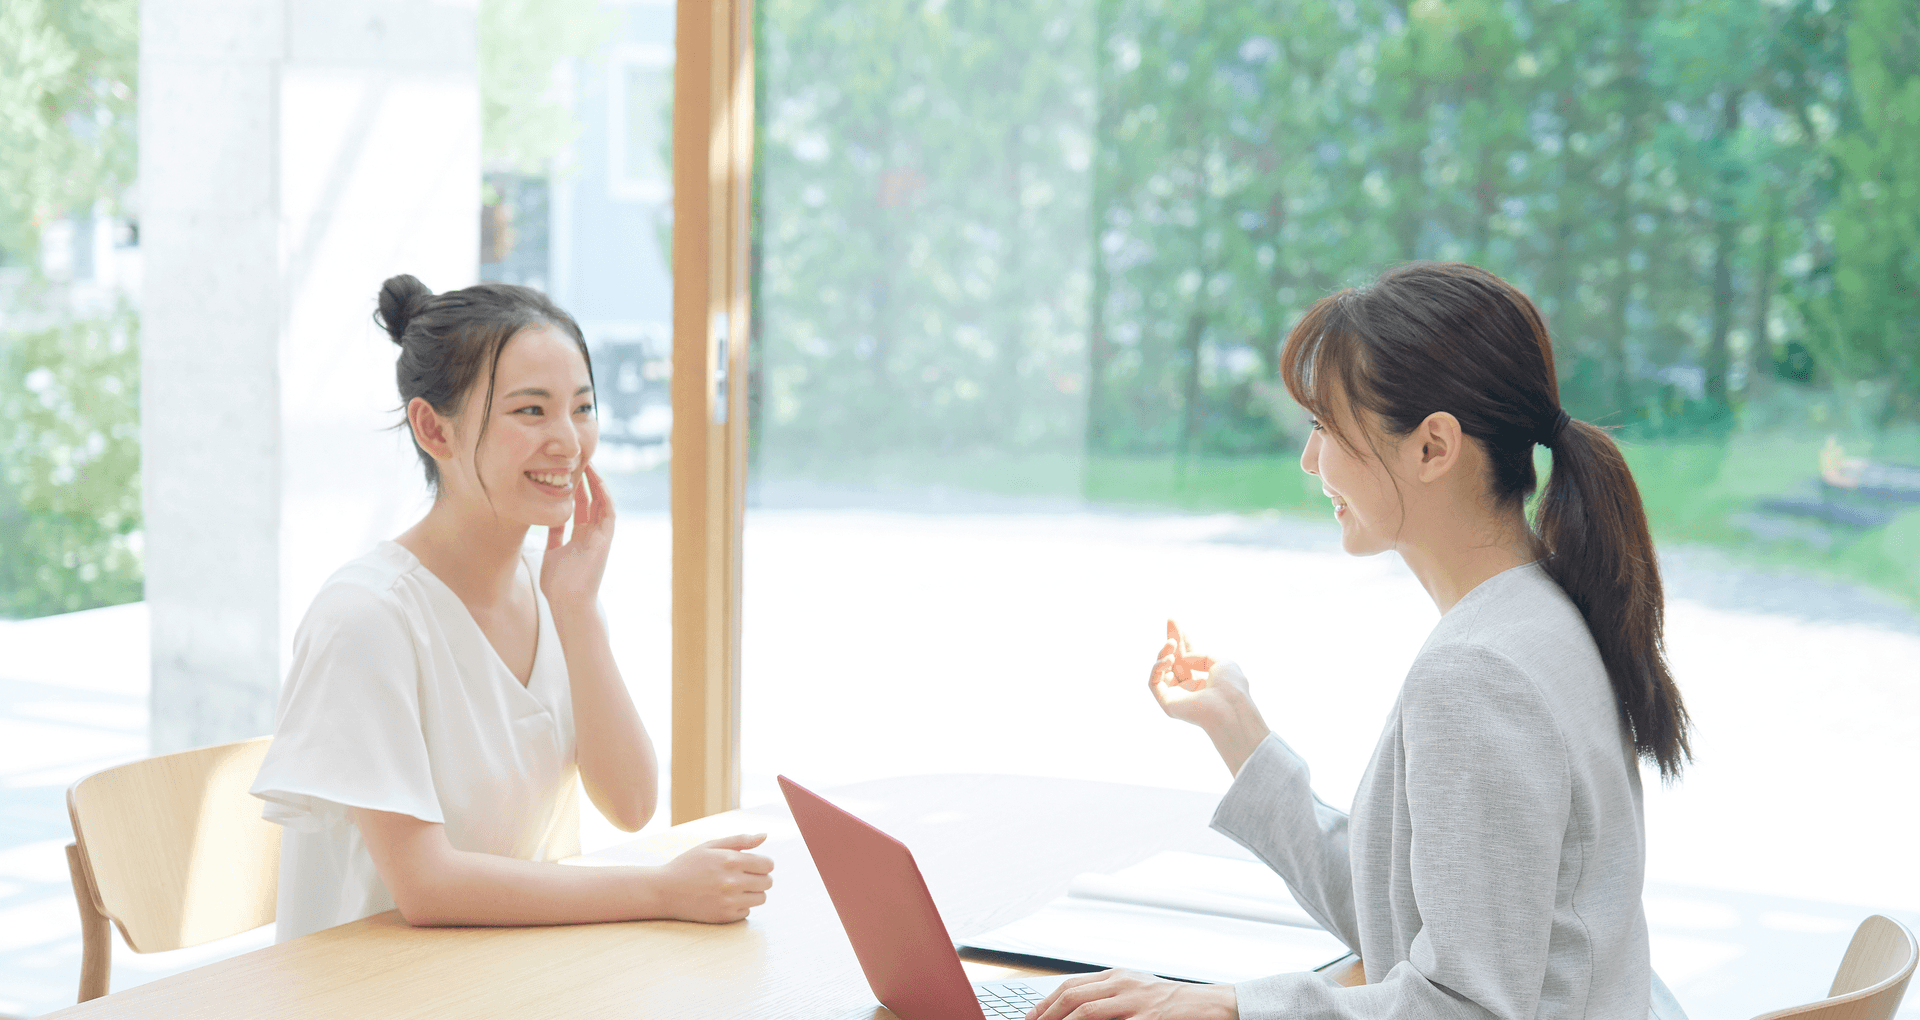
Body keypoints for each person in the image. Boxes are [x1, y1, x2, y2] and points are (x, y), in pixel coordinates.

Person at [1028, 263, 1691, 1020]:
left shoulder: (1480, 672)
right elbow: (1405, 922)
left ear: (1432, 448)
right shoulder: (1541, 617)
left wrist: (1232, 1007)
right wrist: (1241, 734)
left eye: (1324, 429)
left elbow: (1465, 1008)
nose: (1311, 463)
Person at [251, 275, 772, 940]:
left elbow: (632, 803)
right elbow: (427, 886)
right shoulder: (367, 618)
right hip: (374, 995)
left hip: (511, 974)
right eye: (531, 412)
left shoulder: (553, 589)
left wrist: (577, 613)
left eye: (582, 408)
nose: (569, 441)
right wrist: (662, 889)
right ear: (432, 428)